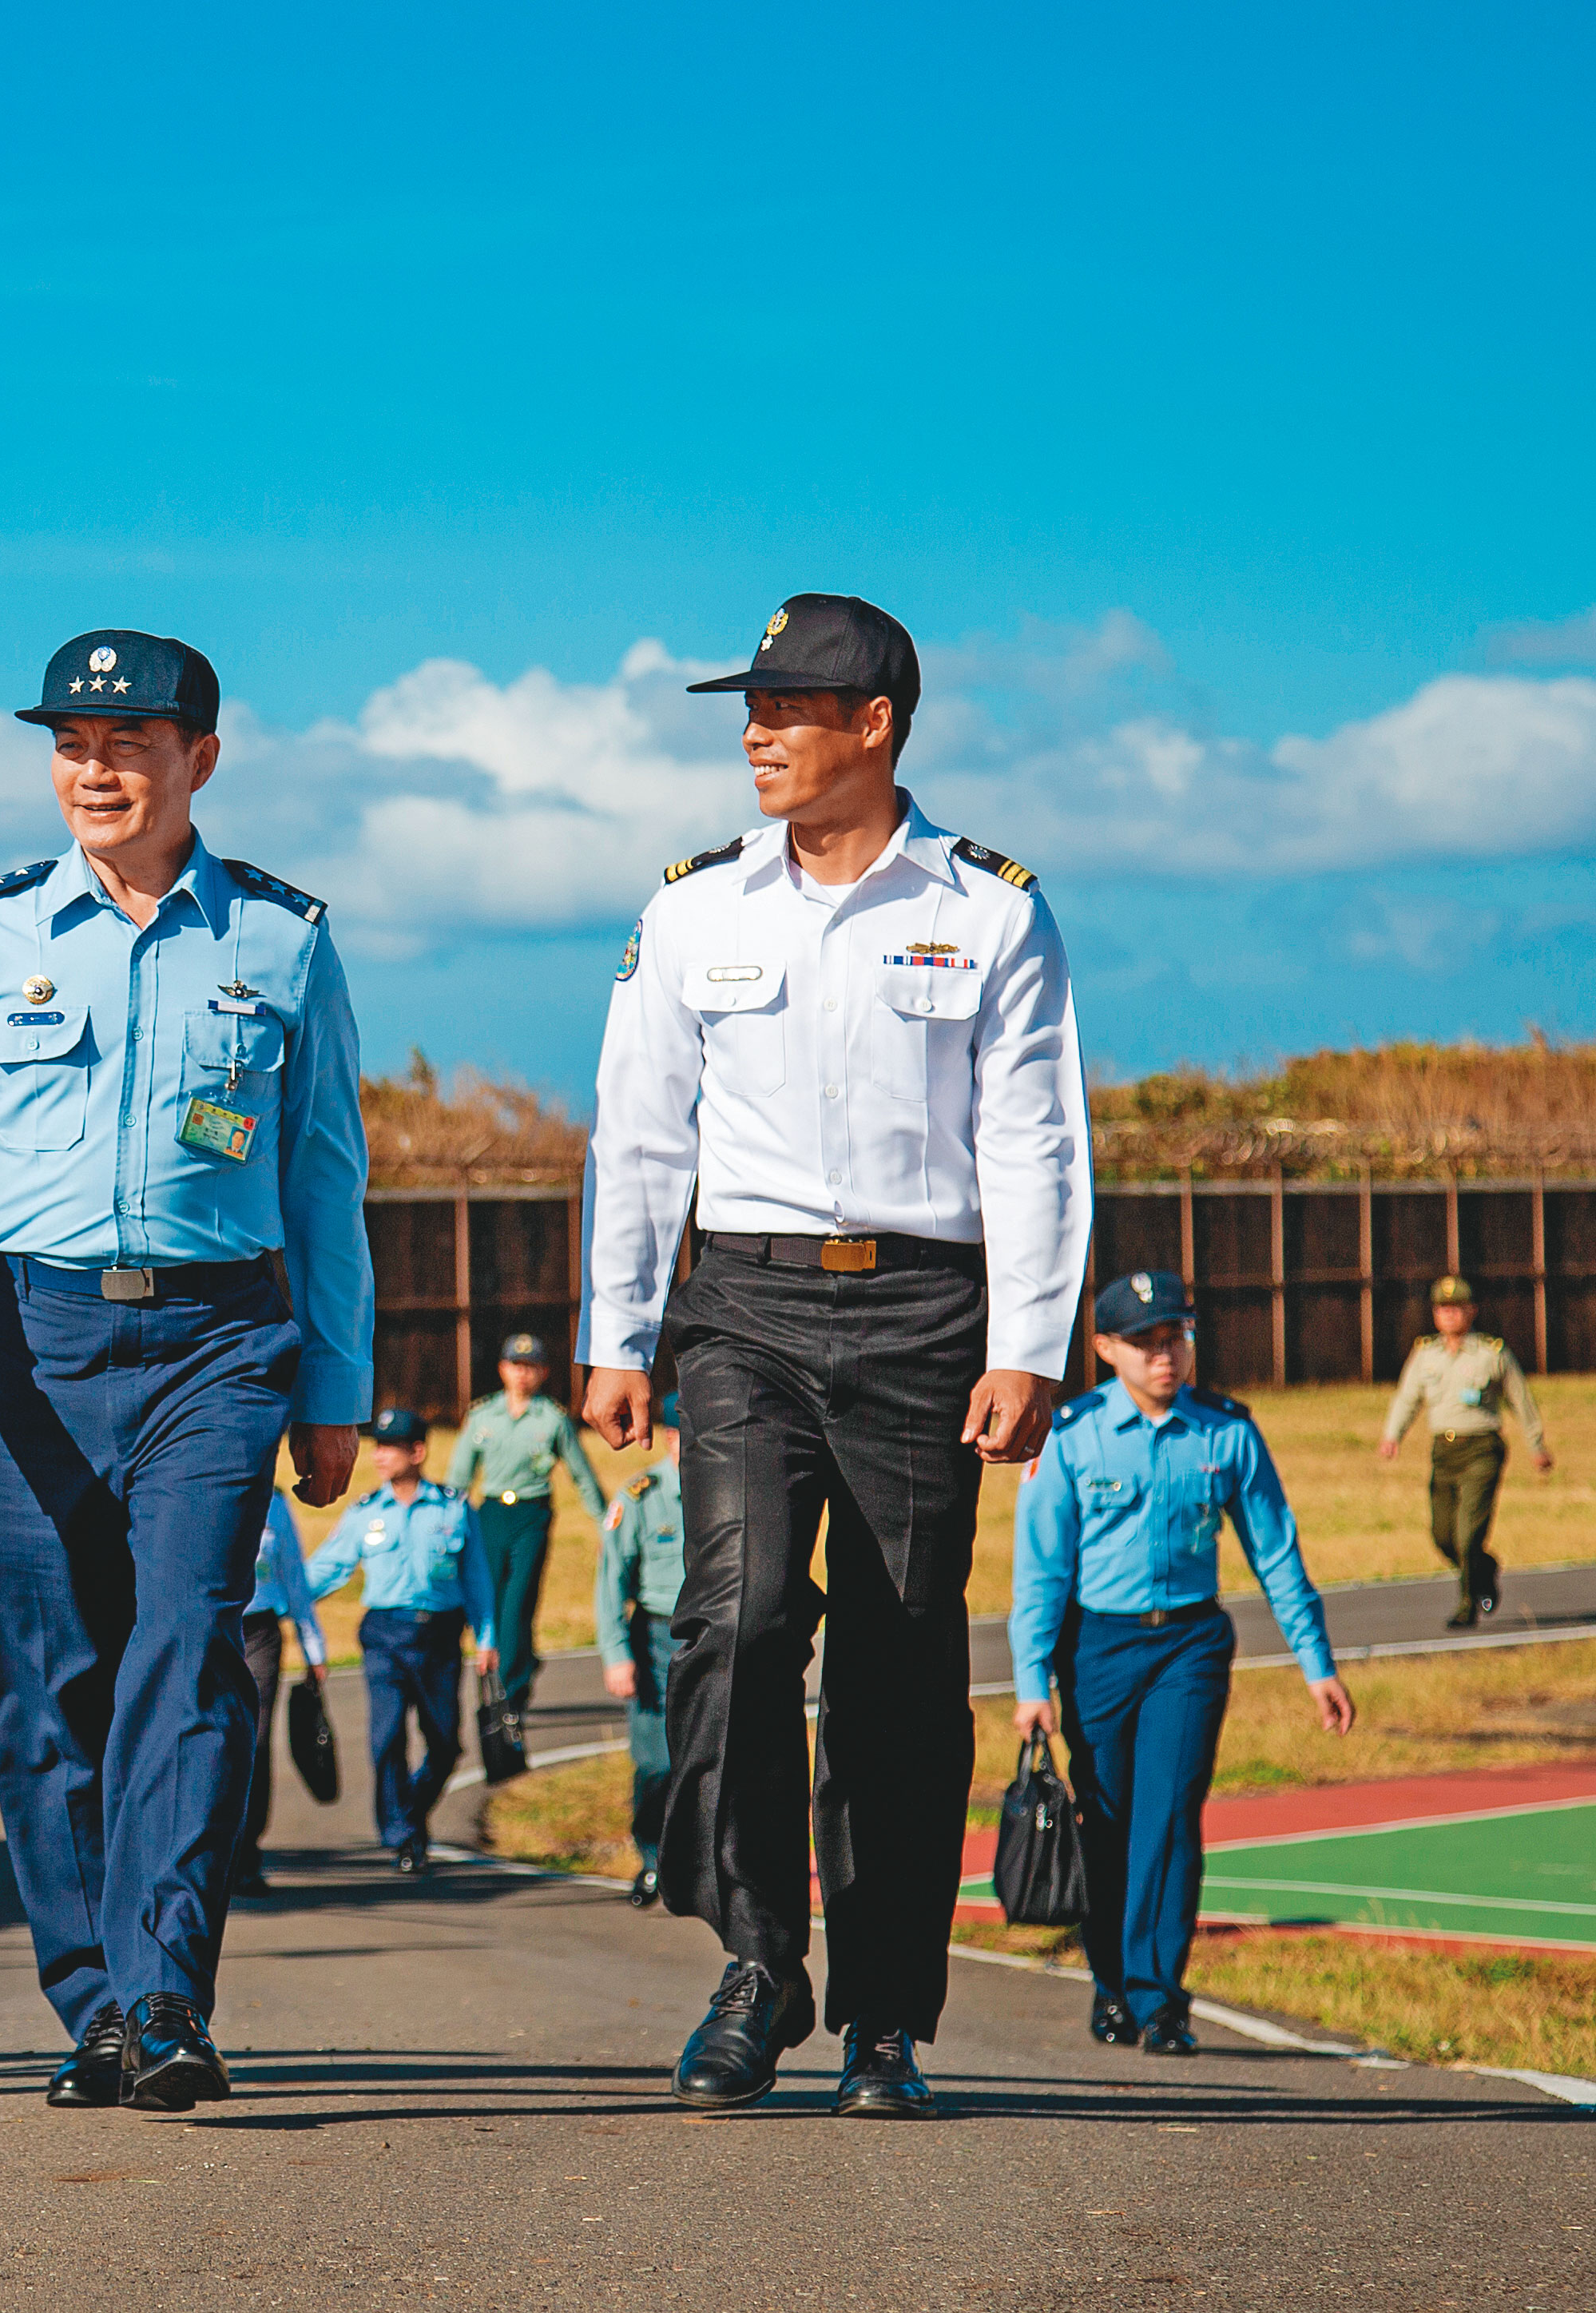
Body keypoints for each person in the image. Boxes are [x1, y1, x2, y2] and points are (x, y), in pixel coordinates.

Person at [0, 629, 372, 2115]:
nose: (93, 769)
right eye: (70, 743)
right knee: (44, 1680)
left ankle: (166, 1990)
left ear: (200, 757)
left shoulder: (282, 939)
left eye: (128, 743)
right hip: (34, 1339)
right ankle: (94, 2005)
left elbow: (324, 1174)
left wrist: (334, 1383)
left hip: (218, 1341)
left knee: (188, 1646)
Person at [575, 593, 1090, 2120]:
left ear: (873, 725)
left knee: (898, 1671)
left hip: (925, 1318)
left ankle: (879, 2020)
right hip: (741, 1310)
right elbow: (636, 1134)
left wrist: (1028, 1344)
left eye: (787, 708)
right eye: (749, 709)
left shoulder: (991, 910)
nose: (755, 734)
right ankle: (754, 1965)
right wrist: (614, 1334)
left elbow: (1035, 1138)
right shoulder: (692, 910)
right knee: (731, 1625)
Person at [1013, 1269, 1356, 2054]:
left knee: (1168, 1816)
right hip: (1097, 1646)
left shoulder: (1224, 1431)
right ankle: (1110, 1984)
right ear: (1105, 1348)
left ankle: (1159, 1997)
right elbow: (1040, 1571)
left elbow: (1275, 1552)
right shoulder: (1072, 1435)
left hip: (1187, 1646)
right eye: (1144, 1342)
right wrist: (1031, 1680)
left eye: (1176, 1336)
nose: (1163, 1355)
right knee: (1105, 1817)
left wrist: (1316, 1663)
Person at [306, 1409, 498, 1874]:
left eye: (390, 1448)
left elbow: (476, 1578)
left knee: (445, 1744)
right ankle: (403, 1835)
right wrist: (275, 1599)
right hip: (384, 1637)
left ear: (418, 1452)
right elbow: (328, 1567)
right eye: (378, 1447)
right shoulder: (365, 1512)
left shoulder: (454, 1507)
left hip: (439, 1636)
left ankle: (408, 1812)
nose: (379, 1456)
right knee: (386, 1738)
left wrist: (487, 1637)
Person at [446, 1332, 607, 1723]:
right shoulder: (482, 1416)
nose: (522, 1374)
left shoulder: (552, 1419)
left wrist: (606, 1526)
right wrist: (447, 1526)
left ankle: (510, 1693)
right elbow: (458, 1479)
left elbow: (582, 1476)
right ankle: (518, 1664)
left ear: (543, 1373)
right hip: (491, 1515)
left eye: (531, 1367)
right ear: (502, 1369)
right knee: (491, 1600)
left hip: (531, 1516)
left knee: (518, 1602)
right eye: (516, 1366)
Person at [1377, 1274, 1550, 1628]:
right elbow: (1407, 1398)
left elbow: (1521, 1400)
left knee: (1468, 1533)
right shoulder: (1425, 1354)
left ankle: (1469, 1604)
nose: (1450, 1315)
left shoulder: (1491, 1353)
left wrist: (1537, 1445)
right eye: (1443, 1308)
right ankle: (1484, 1568)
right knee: (1443, 1536)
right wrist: (1393, 1435)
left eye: (1457, 1308)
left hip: (1482, 1449)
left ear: (1472, 1311)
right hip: (1444, 1451)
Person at [595, 1391, 689, 1909]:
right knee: (655, 1761)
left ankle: (700, 1867)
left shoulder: (731, 1489)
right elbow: (611, 1580)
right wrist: (616, 1654)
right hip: (656, 1633)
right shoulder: (639, 1496)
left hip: (714, 1635)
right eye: (683, 1437)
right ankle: (653, 1860)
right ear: (669, 1437)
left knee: (711, 1758)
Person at [232, 1485, 331, 1898]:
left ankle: (245, 1855)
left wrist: (313, 1647)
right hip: (204, 1629)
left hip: (258, 1633)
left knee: (254, 1742)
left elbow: (294, 1576)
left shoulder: (274, 1504)